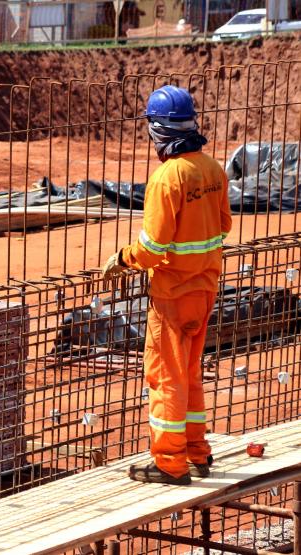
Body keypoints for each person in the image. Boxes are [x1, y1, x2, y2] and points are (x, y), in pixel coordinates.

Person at [102, 85, 231, 485]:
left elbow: (153, 247)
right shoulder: (211, 168)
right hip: (205, 287)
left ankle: (170, 463)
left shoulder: (165, 178)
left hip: (172, 294)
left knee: (165, 375)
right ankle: (197, 451)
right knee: (190, 372)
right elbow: (224, 224)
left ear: (158, 130)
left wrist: (124, 259)